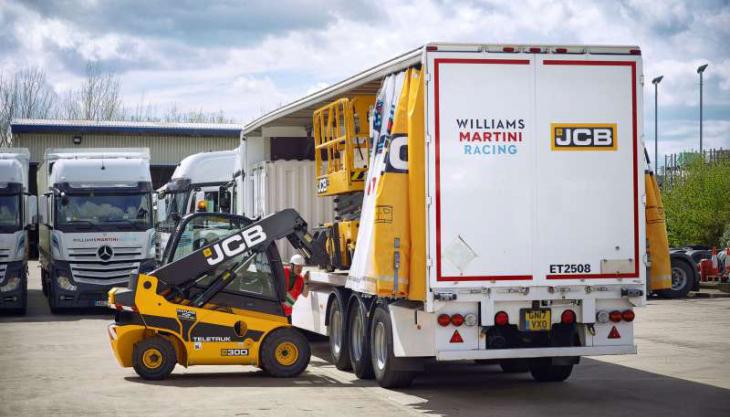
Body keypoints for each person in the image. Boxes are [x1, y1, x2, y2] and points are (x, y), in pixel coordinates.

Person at [282, 254, 307, 319]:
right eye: (298, 266)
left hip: (287, 313)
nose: (300, 269)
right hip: (277, 311)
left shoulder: (300, 280)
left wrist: (306, 282)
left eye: (301, 267)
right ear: (291, 265)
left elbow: (305, 294)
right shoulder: (283, 272)